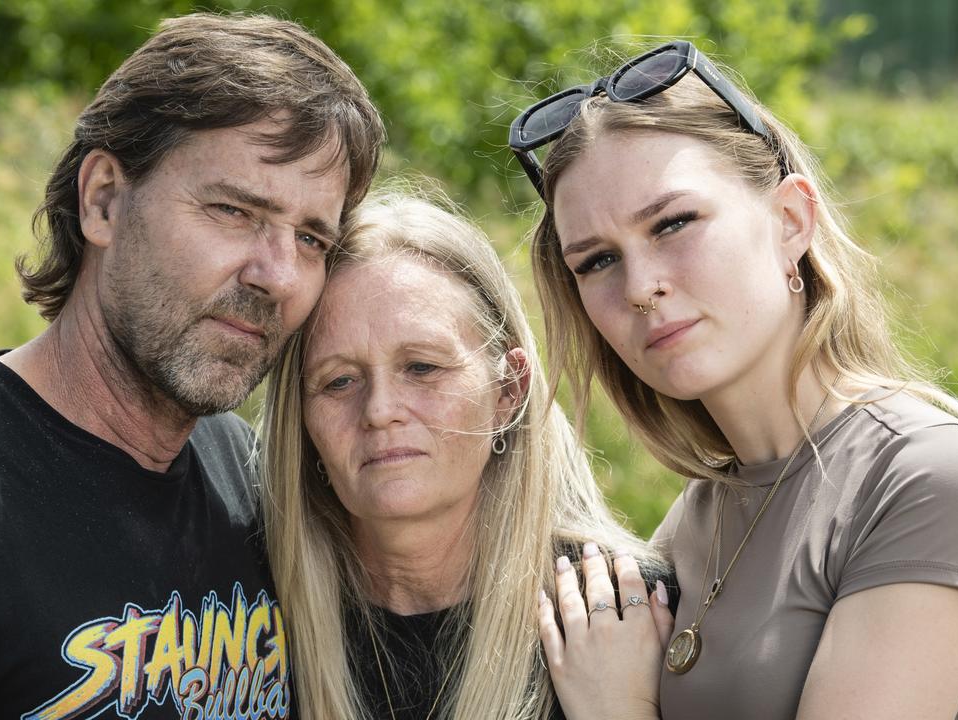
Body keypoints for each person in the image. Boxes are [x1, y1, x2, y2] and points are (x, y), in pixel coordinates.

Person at [0, 13, 383, 719]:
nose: (278, 275)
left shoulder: (255, 481)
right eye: (233, 210)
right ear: (103, 199)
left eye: (311, 238)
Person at [510, 40, 958, 719]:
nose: (640, 287)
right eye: (598, 261)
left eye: (672, 223)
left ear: (791, 221)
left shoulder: (931, 480)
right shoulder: (695, 520)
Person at [258, 188, 676, 720]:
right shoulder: (243, 620)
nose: (380, 410)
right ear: (302, 420)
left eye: (422, 368)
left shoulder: (623, 614)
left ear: (508, 392)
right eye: (339, 381)